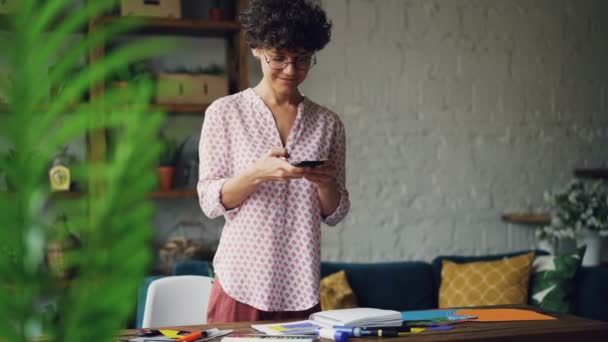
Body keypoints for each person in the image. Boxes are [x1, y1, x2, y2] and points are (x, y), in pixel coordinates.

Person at [197, 0, 350, 323]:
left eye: (303, 60)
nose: (291, 70)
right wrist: (257, 174)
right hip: (240, 281)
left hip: (300, 283)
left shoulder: (328, 123)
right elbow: (210, 201)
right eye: (278, 58)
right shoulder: (225, 113)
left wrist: (325, 184)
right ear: (256, 49)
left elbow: (335, 213)